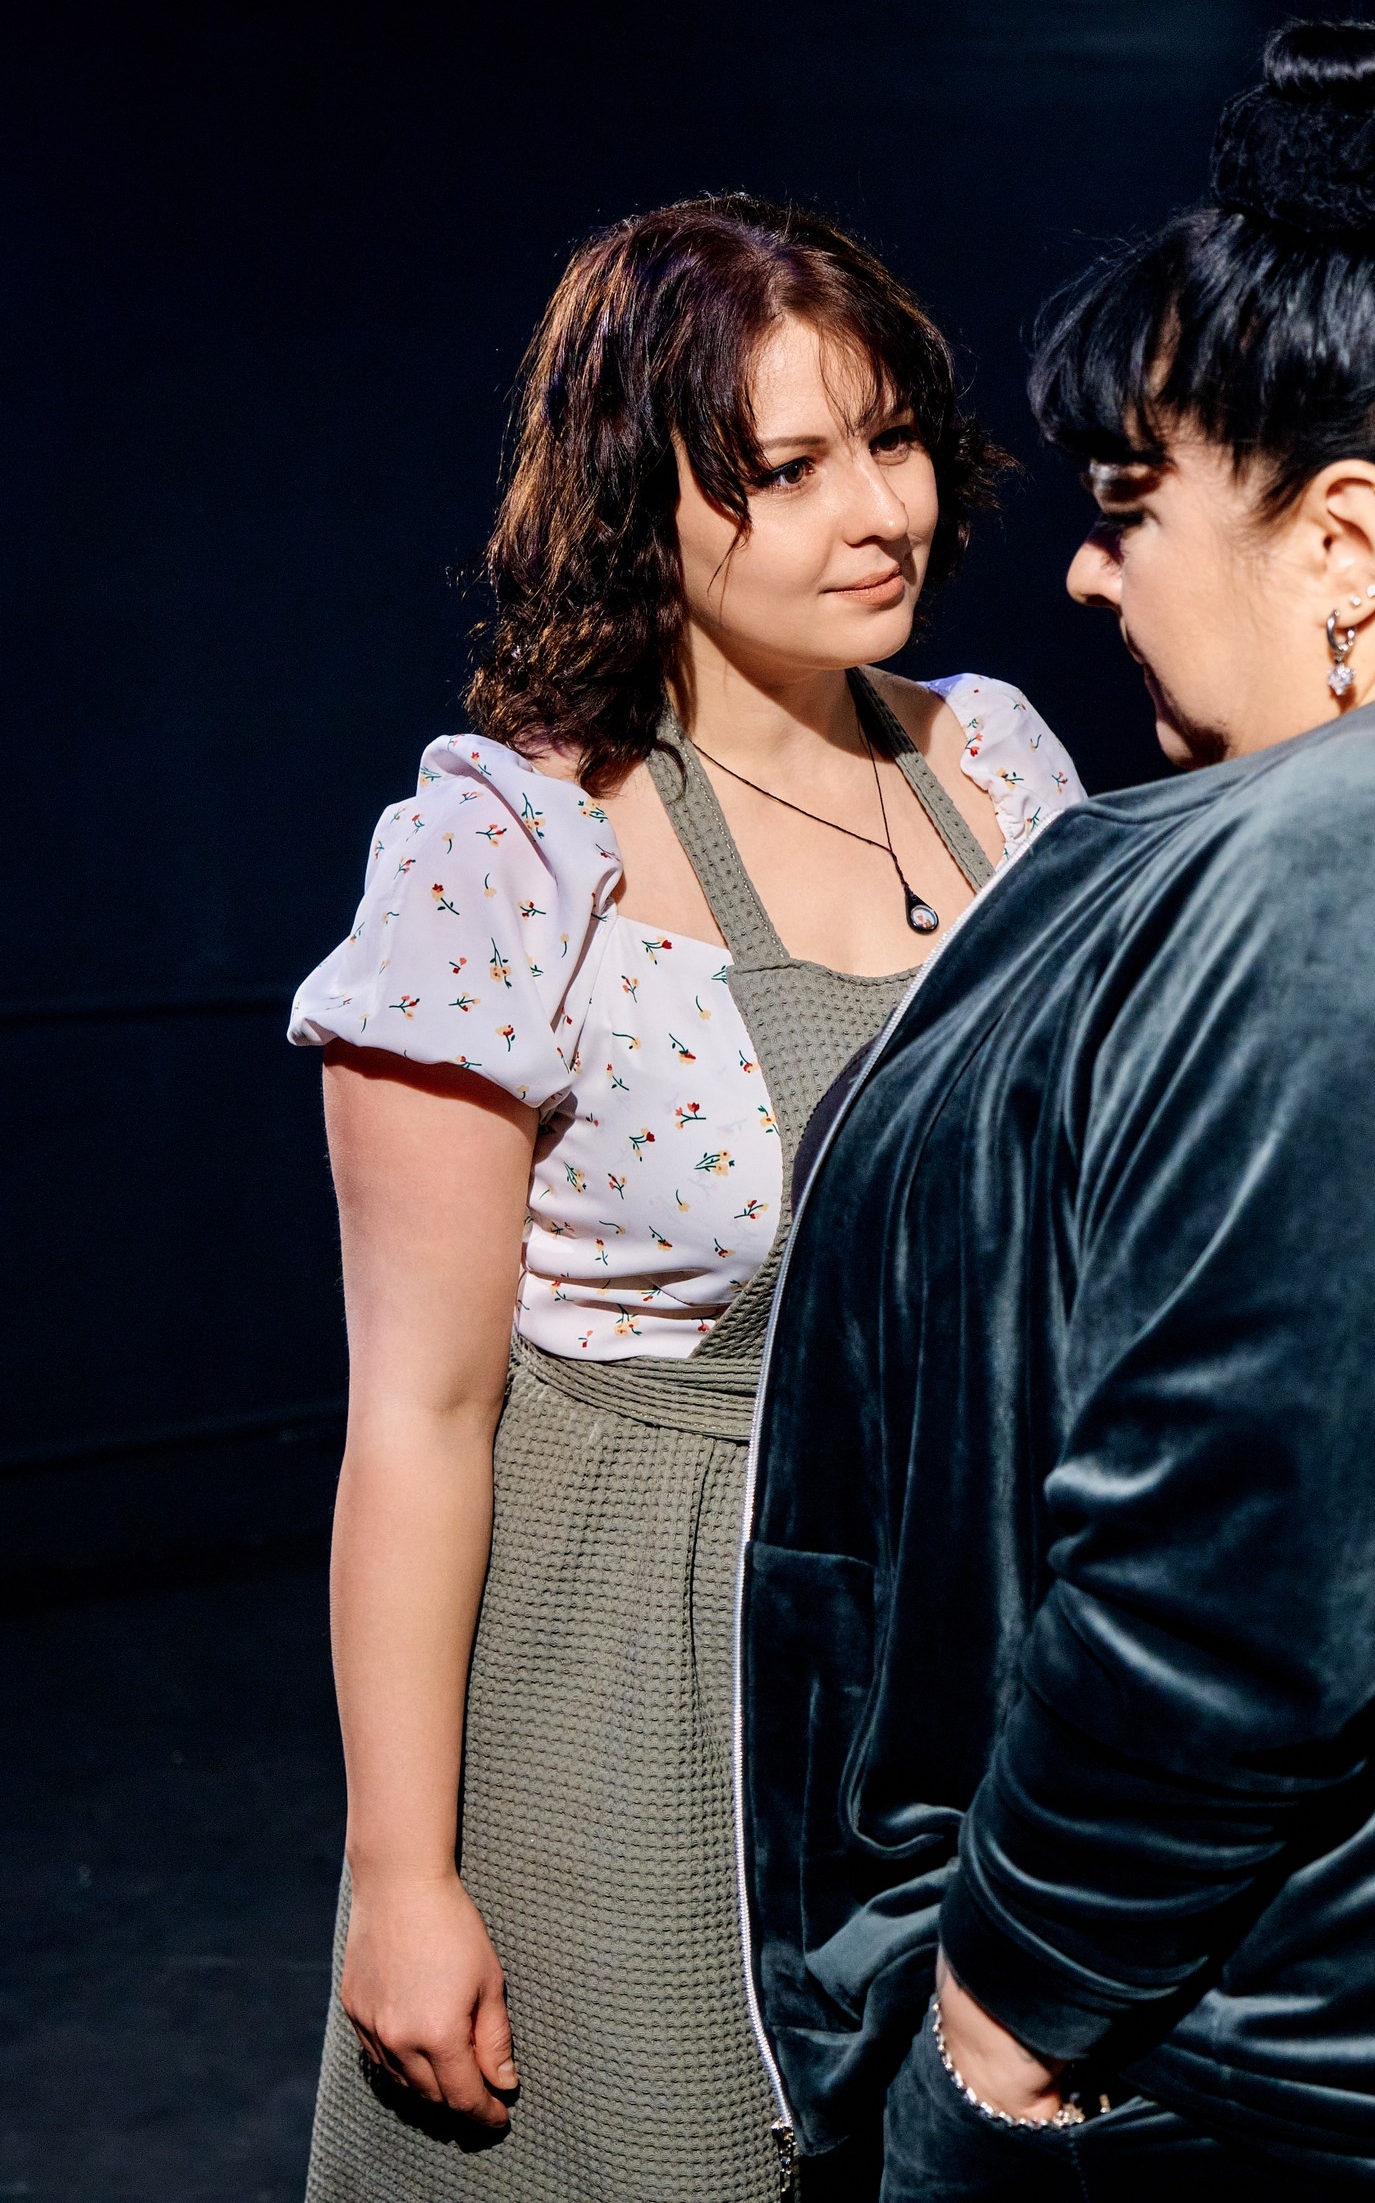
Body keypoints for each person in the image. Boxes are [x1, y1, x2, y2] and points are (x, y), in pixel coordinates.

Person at [739, 27, 1375, 2199]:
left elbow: (1246, 1587)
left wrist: (997, 2038)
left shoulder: (1357, 854)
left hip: (1296, 2068)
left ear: (1343, 539)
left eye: (1129, 507)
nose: (1089, 575)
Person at [287, 194, 1084, 2202]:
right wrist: (402, 1874)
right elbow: (422, 1416)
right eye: (788, 469)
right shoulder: (514, 850)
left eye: (891, 439)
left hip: (951, 1654)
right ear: (638, 498)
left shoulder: (993, 767)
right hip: (644, 1671)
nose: (879, 510)